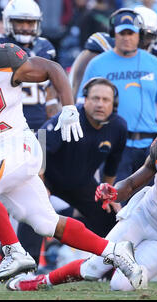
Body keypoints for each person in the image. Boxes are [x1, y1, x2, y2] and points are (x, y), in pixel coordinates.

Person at [0, 12, 145, 289]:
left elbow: (52, 68)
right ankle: (115, 251)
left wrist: (68, 107)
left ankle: (14, 253)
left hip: (18, 142)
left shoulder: (2, 58)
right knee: (46, 223)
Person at [7, 101, 157, 292]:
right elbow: (134, 182)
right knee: (93, 268)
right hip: (142, 215)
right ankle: (41, 282)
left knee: (121, 286)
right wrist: (116, 192)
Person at [0, 0, 58, 273]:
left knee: (36, 194)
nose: (26, 27)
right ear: (8, 23)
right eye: (21, 22)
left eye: (30, 22)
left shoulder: (45, 46)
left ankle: (27, 261)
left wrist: (56, 112)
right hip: (5, 127)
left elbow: (49, 89)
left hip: (37, 129)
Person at [77, 8, 157, 184]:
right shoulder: (97, 64)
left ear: (139, 35)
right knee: (115, 201)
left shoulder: (153, 63)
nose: (126, 37)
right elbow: (82, 105)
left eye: (130, 33)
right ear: (113, 34)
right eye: (121, 33)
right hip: (114, 145)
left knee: (147, 203)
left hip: (150, 147)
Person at [42, 77, 127, 237]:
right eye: (95, 98)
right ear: (85, 100)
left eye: (105, 100)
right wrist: (40, 186)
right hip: (47, 179)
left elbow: (111, 168)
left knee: (111, 216)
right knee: (34, 212)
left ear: (113, 104)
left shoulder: (119, 127)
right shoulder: (68, 118)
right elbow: (38, 146)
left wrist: (108, 194)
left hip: (82, 183)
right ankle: (27, 259)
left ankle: (105, 259)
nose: (100, 104)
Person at [70, 6, 157, 99]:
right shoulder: (103, 47)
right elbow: (78, 89)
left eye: (149, 37)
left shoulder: (152, 59)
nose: (143, 41)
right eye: (129, 32)